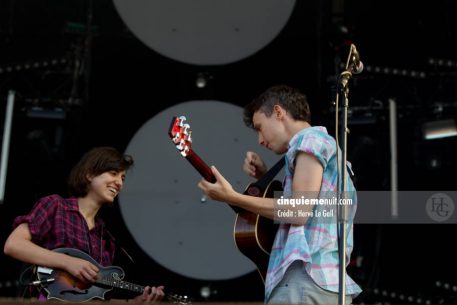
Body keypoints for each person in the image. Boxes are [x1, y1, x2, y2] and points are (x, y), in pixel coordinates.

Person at [198, 85, 362, 304]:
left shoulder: (309, 140)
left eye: (260, 127)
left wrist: (231, 196)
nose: (260, 140)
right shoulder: (323, 146)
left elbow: (298, 211)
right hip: (321, 282)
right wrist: (265, 175)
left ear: (278, 112)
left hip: (305, 281)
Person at [3, 146, 165, 303]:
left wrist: (133, 302)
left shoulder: (105, 238)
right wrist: (68, 262)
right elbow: (13, 245)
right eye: (114, 173)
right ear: (89, 174)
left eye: (123, 178)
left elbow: (94, 297)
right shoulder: (55, 206)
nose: (119, 183)